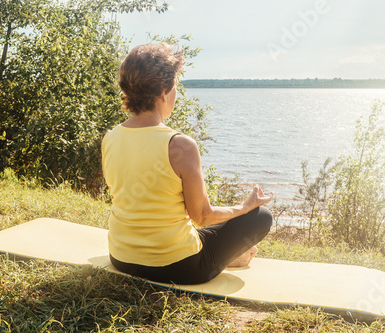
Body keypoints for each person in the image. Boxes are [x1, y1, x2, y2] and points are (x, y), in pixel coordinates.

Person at [101, 43, 273, 285]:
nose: (175, 95)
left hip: (121, 258)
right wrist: (245, 207)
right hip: (180, 268)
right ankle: (231, 256)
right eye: (175, 88)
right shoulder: (180, 145)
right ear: (164, 91)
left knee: (201, 231)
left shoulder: (110, 138)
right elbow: (202, 216)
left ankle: (228, 254)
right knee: (261, 216)